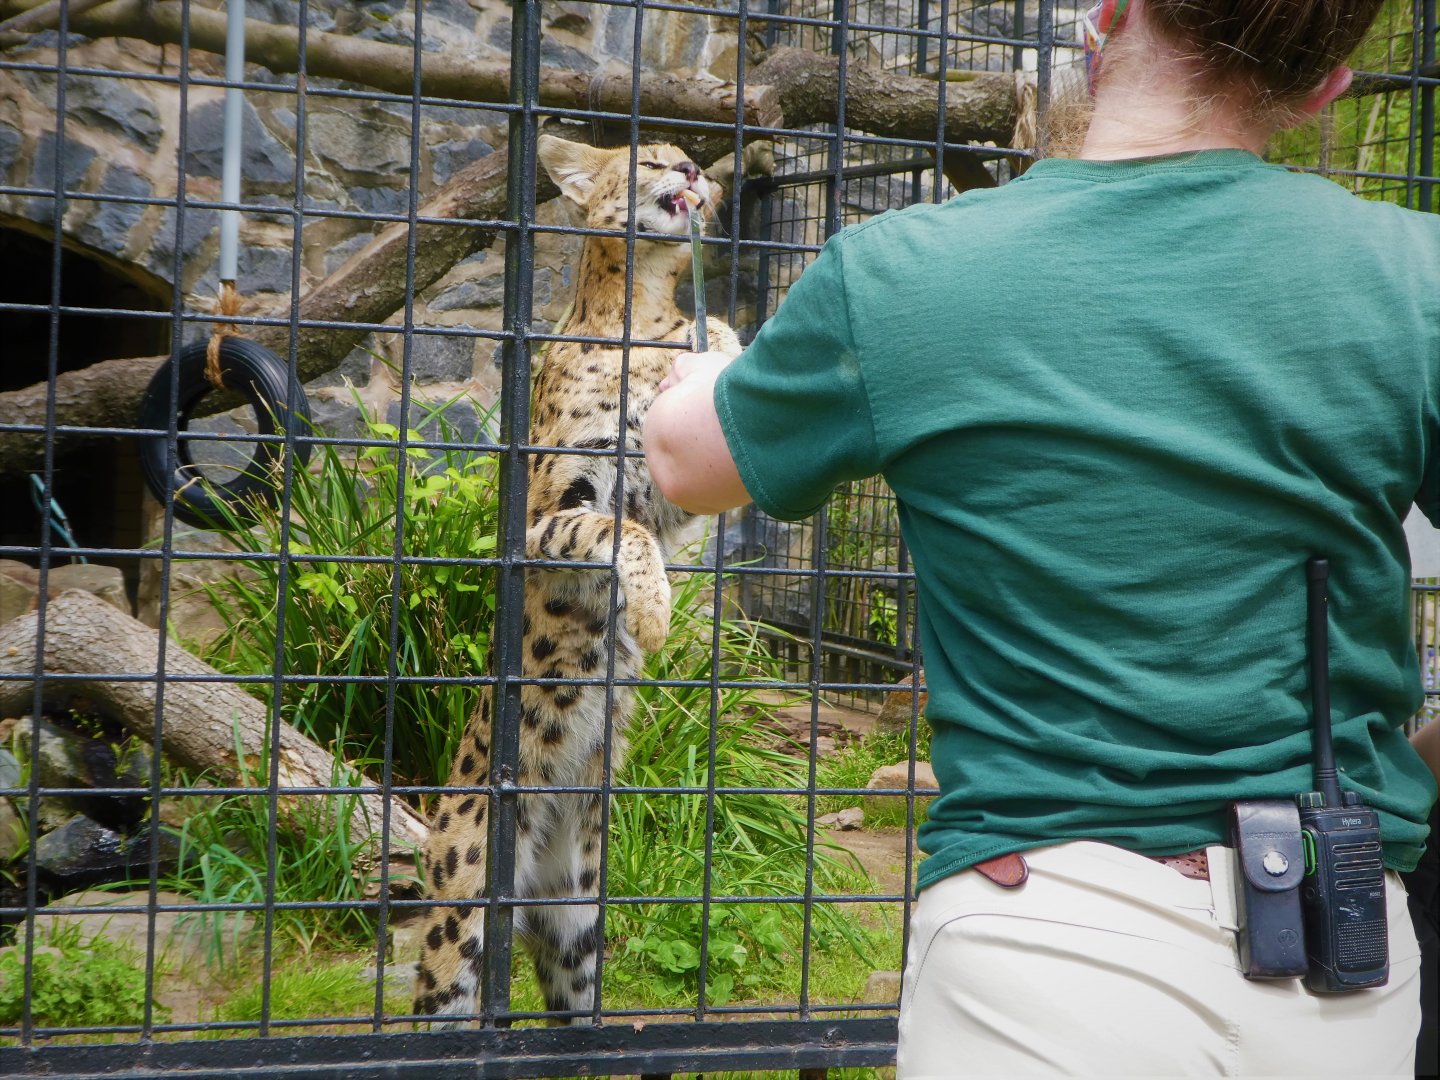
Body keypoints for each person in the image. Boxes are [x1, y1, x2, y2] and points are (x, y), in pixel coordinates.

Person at [644, 0, 1439, 1074]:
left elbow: (684, 465)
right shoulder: (1415, 271)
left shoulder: (901, 271)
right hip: (1337, 951)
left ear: (1105, 16)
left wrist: (705, 378)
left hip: (1042, 938)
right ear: (1325, 86)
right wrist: (1400, 763)